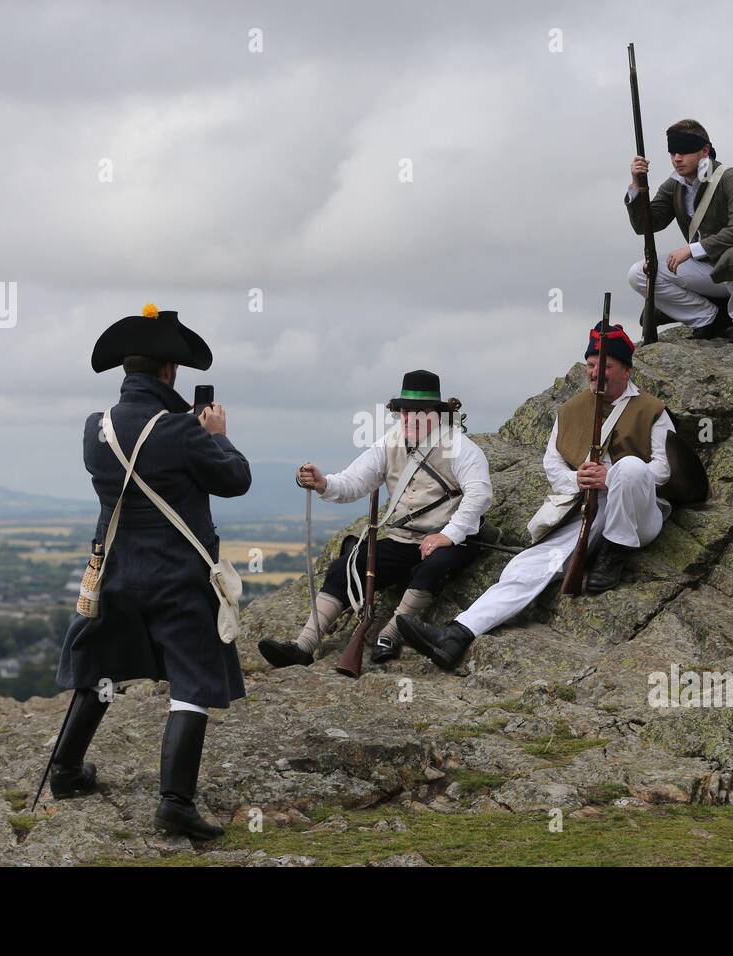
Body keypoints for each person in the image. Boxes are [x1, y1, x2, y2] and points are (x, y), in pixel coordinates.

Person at [53, 303, 250, 841]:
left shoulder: (95, 428)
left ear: (127, 370)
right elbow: (235, 480)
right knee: (191, 683)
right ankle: (174, 804)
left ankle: (66, 772)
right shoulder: (184, 431)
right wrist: (218, 434)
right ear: (169, 372)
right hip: (179, 577)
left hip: (116, 571)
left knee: (100, 669)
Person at [398, 324, 687, 671]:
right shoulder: (571, 410)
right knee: (529, 566)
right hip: (590, 508)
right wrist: (577, 479)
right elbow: (553, 464)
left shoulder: (652, 409)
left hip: (641, 515)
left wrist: (611, 477)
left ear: (626, 369)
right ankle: (457, 635)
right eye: (591, 366)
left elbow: (664, 470)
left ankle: (615, 553)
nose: (596, 374)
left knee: (630, 468)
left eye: (605, 366)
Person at [258, 370, 493, 668]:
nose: (408, 417)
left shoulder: (461, 448)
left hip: (453, 540)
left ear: (435, 414)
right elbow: (354, 482)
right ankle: (303, 646)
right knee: (344, 567)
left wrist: (449, 534)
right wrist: (322, 483)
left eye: (416, 412)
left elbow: (480, 495)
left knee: (432, 567)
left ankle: (390, 635)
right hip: (404, 539)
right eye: (404, 411)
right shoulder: (389, 443)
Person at [625, 118, 733, 346]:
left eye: (685, 151)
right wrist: (636, 185)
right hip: (709, 266)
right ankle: (708, 318)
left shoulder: (732, 178)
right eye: (673, 153)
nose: (677, 159)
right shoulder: (675, 185)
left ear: (705, 150)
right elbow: (645, 225)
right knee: (639, 274)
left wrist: (691, 250)